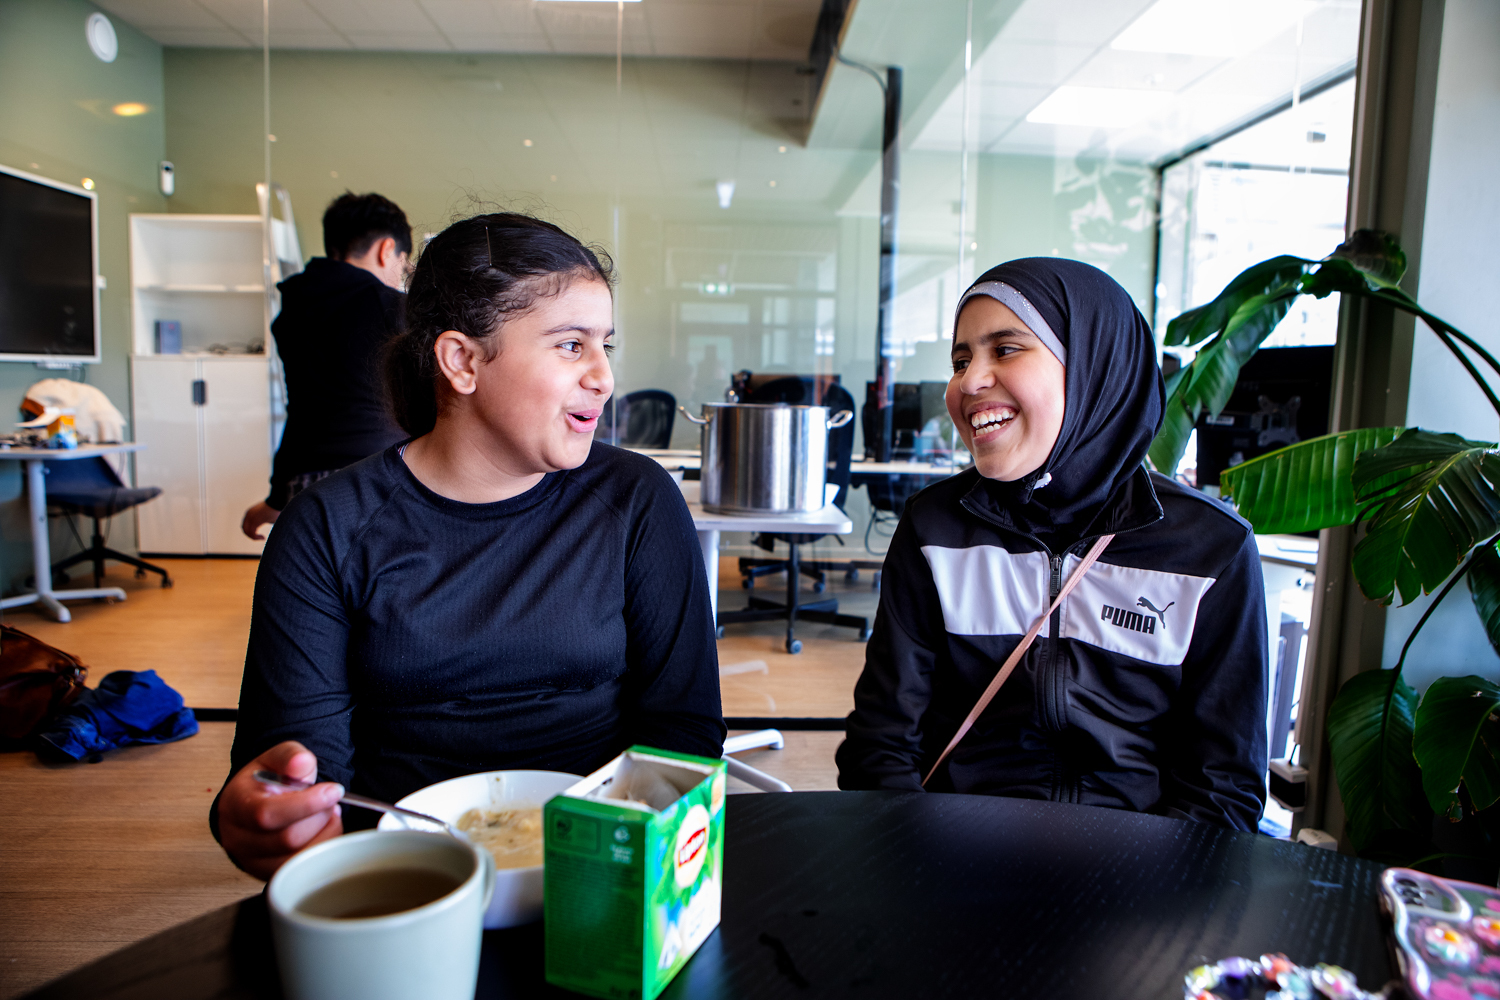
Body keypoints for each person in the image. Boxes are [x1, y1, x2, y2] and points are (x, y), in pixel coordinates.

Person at [213, 213, 725, 879]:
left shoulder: (636, 501)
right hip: (400, 870)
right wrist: (272, 814)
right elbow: (292, 769)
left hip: (602, 864)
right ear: (462, 360)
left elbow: (683, 734)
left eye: (606, 345)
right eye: (571, 345)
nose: (603, 376)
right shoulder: (326, 528)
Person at [835, 257, 1267, 831]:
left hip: (1136, 879)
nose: (969, 381)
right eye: (961, 360)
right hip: (953, 862)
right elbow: (880, 747)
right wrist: (917, 867)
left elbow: (1222, 791)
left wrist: (1148, 902)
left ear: (1094, 367)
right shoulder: (934, 529)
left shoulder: (1210, 549)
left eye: (1005, 350)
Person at [240, 192, 413, 540]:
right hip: (380, 477)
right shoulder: (393, 308)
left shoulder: (292, 312)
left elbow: (303, 414)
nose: (401, 274)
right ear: (386, 249)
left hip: (303, 485)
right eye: (403, 262)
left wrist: (276, 499)